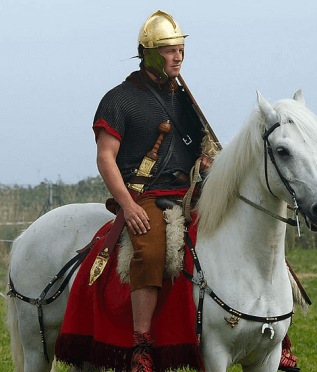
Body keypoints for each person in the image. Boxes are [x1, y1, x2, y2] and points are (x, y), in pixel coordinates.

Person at [93, 10, 212, 372]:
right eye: (169, 50)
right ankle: (141, 346)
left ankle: (275, 332)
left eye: (180, 50)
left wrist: (207, 162)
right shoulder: (118, 99)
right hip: (145, 194)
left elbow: (202, 146)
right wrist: (128, 206)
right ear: (149, 53)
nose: (178, 57)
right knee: (151, 247)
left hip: (190, 191)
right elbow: (105, 158)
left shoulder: (185, 97)